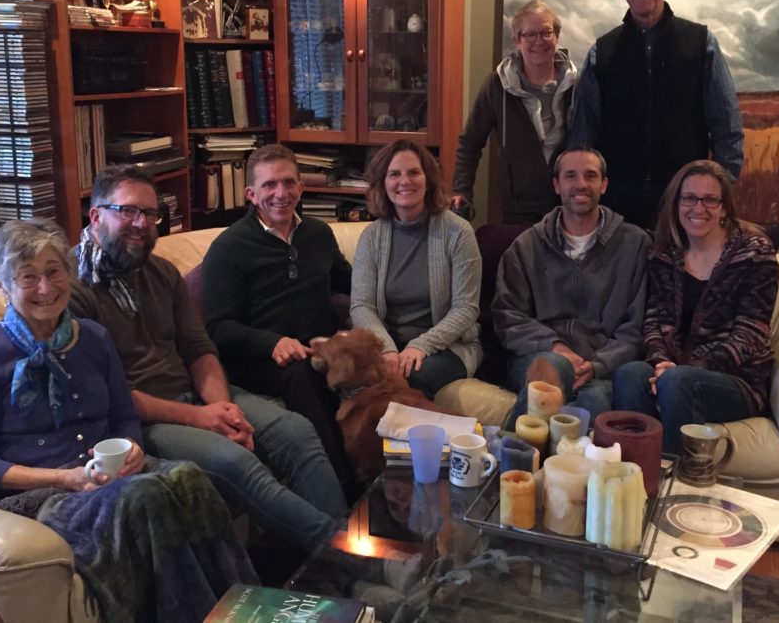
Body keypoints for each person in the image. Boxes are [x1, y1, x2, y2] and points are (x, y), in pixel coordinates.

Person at [0, 219, 256, 623]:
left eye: (54, 272)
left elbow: (124, 416)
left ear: (68, 273)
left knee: (188, 477)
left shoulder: (93, 338)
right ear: (3, 286)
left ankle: (253, 610)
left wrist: (132, 447)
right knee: (143, 497)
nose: (46, 288)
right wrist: (64, 478)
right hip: (42, 495)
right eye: (28, 278)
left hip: (106, 478)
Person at [68, 165, 347, 553]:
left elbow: (199, 348)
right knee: (237, 462)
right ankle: (349, 558)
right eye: (128, 211)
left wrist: (221, 407)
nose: (141, 223)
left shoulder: (162, 272)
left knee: (297, 433)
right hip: (141, 419)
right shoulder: (69, 289)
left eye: (149, 214)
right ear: (96, 215)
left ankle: (340, 557)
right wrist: (201, 418)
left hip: (196, 394)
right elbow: (109, 396)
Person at [201, 144, 354, 485]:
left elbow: (352, 285)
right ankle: (344, 487)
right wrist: (272, 343)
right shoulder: (229, 248)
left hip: (316, 349)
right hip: (255, 360)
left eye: (288, 183)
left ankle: (385, 473)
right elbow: (215, 327)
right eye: (270, 185)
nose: (281, 194)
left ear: (301, 187)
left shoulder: (319, 234)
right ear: (251, 194)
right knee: (302, 375)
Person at [568, 0, 744, 229]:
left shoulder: (701, 44)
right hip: (617, 205)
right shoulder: (602, 52)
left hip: (685, 202)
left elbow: (727, 127)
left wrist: (717, 192)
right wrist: (583, 193)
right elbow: (583, 136)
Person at [612, 160, 779, 454]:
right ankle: (638, 472)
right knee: (629, 374)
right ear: (676, 203)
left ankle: (677, 479)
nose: (698, 208)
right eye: (689, 198)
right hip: (672, 372)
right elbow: (653, 320)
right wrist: (660, 362)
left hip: (737, 379)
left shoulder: (754, 252)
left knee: (678, 382)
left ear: (724, 207)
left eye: (710, 199)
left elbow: (750, 333)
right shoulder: (665, 253)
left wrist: (686, 370)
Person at [492, 147, 649, 427]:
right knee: (552, 370)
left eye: (590, 176)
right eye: (570, 176)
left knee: (594, 402)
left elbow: (636, 325)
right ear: (557, 185)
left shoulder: (635, 245)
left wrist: (597, 365)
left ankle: (547, 464)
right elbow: (507, 315)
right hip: (539, 358)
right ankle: (514, 461)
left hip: (604, 366)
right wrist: (556, 347)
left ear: (604, 184)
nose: (581, 184)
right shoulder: (526, 246)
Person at [350, 139, 483, 398]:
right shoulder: (372, 237)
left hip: (448, 347)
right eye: (394, 174)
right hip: (389, 342)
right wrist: (387, 349)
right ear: (382, 182)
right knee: (349, 376)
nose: (404, 181)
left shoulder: (458, 233)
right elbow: (361, 306)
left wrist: (421, 346)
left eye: (413, 172)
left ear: (428, 179)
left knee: (411, 378)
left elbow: (466, 308)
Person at [451, 0, 578, 225]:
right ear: (517, 40)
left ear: (556, 36)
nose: (539, 41)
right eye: (530, 34)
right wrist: (461, 190)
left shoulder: (578, 85)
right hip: (518, 208)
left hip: (569, 204)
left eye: (546, 33)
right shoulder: (497, 85)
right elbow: (470, 142)